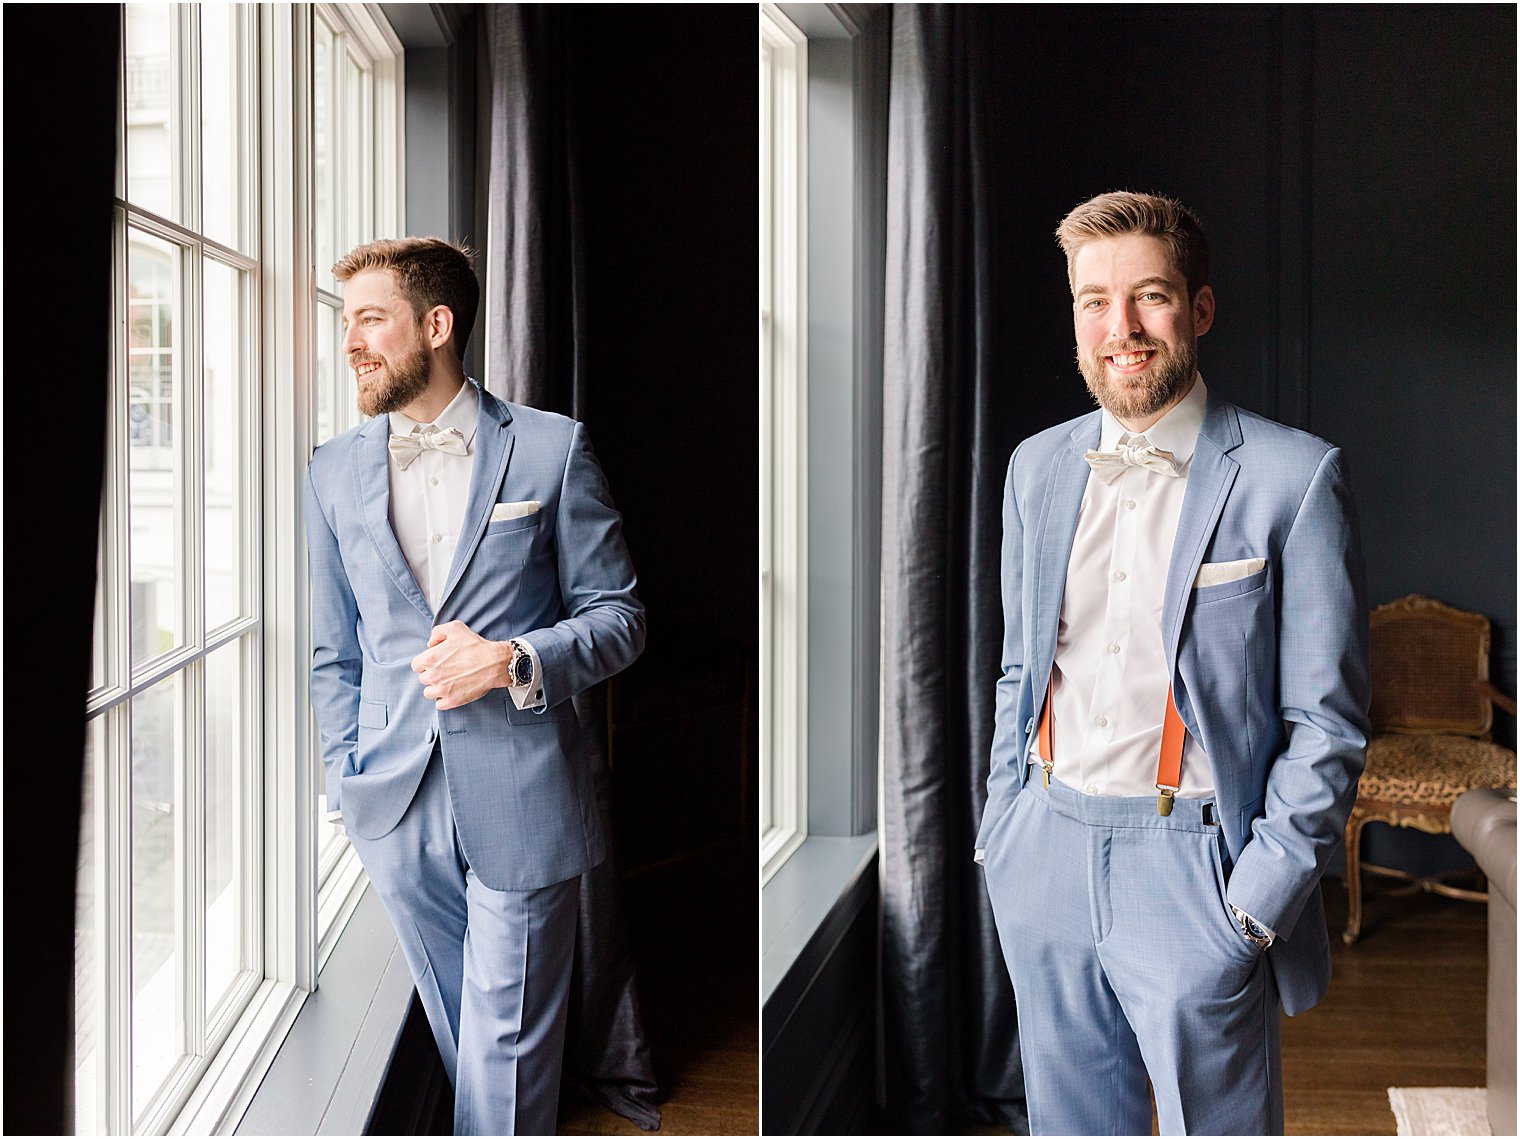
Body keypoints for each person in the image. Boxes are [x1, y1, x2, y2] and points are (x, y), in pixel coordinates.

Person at [975, 191, 1369, 1135]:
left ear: (1198, 309)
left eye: (1149, 297)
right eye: (1094, 302)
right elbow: (1019, 672)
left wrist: (1254, 905)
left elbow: (1329, 723)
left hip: (1194, 868)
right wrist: (1004, 833)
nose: (1122, 330)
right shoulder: (1035, 467)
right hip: (1046, 853)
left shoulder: (1291, 475)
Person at [306, 237, 644, 1135]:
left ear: (437, 324)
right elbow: (331, 649)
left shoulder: (551, 449)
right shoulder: (330, 469)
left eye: (370, 320)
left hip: (525, 787)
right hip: (391, 801)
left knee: (507, 1040)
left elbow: (620, 617)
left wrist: (512, 660)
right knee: (472, 1031)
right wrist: (345, 776)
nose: (352, 343)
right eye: (349, 323)